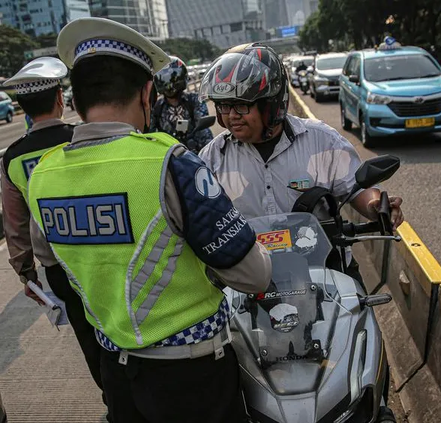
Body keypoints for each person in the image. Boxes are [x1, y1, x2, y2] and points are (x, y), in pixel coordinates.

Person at [27, 18, 271, 423]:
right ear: (146, 94)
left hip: (117, 376)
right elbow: (253, 275)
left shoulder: (42, 175)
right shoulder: (170, 162)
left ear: (75, 99)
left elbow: (53, 266)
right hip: (192, 381)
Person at [198, 43, 404, 279]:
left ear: (271, 104)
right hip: (249, 287)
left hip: (327, 276)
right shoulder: (212, 158)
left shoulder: (321, 140)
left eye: (242, 105)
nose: (232, 115)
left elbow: (357, 188)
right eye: (224, 105)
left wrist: (375, 206)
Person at [1, 57, 110, 419]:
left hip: (57, 267)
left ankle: (110, 395)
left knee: (84, 331)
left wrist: (26, 273)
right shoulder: (81, 138)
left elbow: (15, 226)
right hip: (104, 253)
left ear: (24, 109)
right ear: (60, 99)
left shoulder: (13, 159)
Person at [150, 56, 213, 151]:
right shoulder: (157, 107)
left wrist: (206, 154)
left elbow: (202, 131)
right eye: (164, 78)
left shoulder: (194, 100)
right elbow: (150, 133)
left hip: (194, 154)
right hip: (168, 155)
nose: (169, 85)